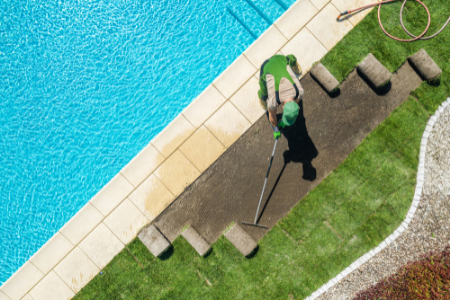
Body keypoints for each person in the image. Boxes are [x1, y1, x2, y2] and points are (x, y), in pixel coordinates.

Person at [258, 54, 304, 140]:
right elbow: (272, 115)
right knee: (264, 94)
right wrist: (275, 129)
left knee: (289, 60)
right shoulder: (273, 101)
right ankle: (261, 96)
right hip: (266, 66)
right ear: (282, 107)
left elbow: (295, 102)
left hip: (281, 59)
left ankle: (293, 62)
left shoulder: (300, 92)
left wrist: (280, 124)